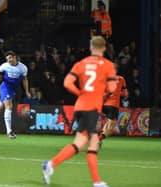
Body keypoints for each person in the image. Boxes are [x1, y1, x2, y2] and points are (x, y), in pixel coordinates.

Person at [42, 36, 117, 187]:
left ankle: (50, 165)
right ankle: (97, 183)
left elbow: (67, 83)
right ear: (104, 48)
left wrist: (80, 93)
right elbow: (112, 88)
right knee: (93, 142)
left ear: (90, 48)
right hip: (91, 108)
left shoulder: (81, 63)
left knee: (79, 143)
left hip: (80, 105)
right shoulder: (108, 65)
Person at [98, 65, 128, 144]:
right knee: (111, 127)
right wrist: (118, 93)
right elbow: (125, 94)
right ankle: (98, 139)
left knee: (109, 124)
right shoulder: (121, 79)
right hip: (113, 106)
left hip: (103, 105)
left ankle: (99, 138)